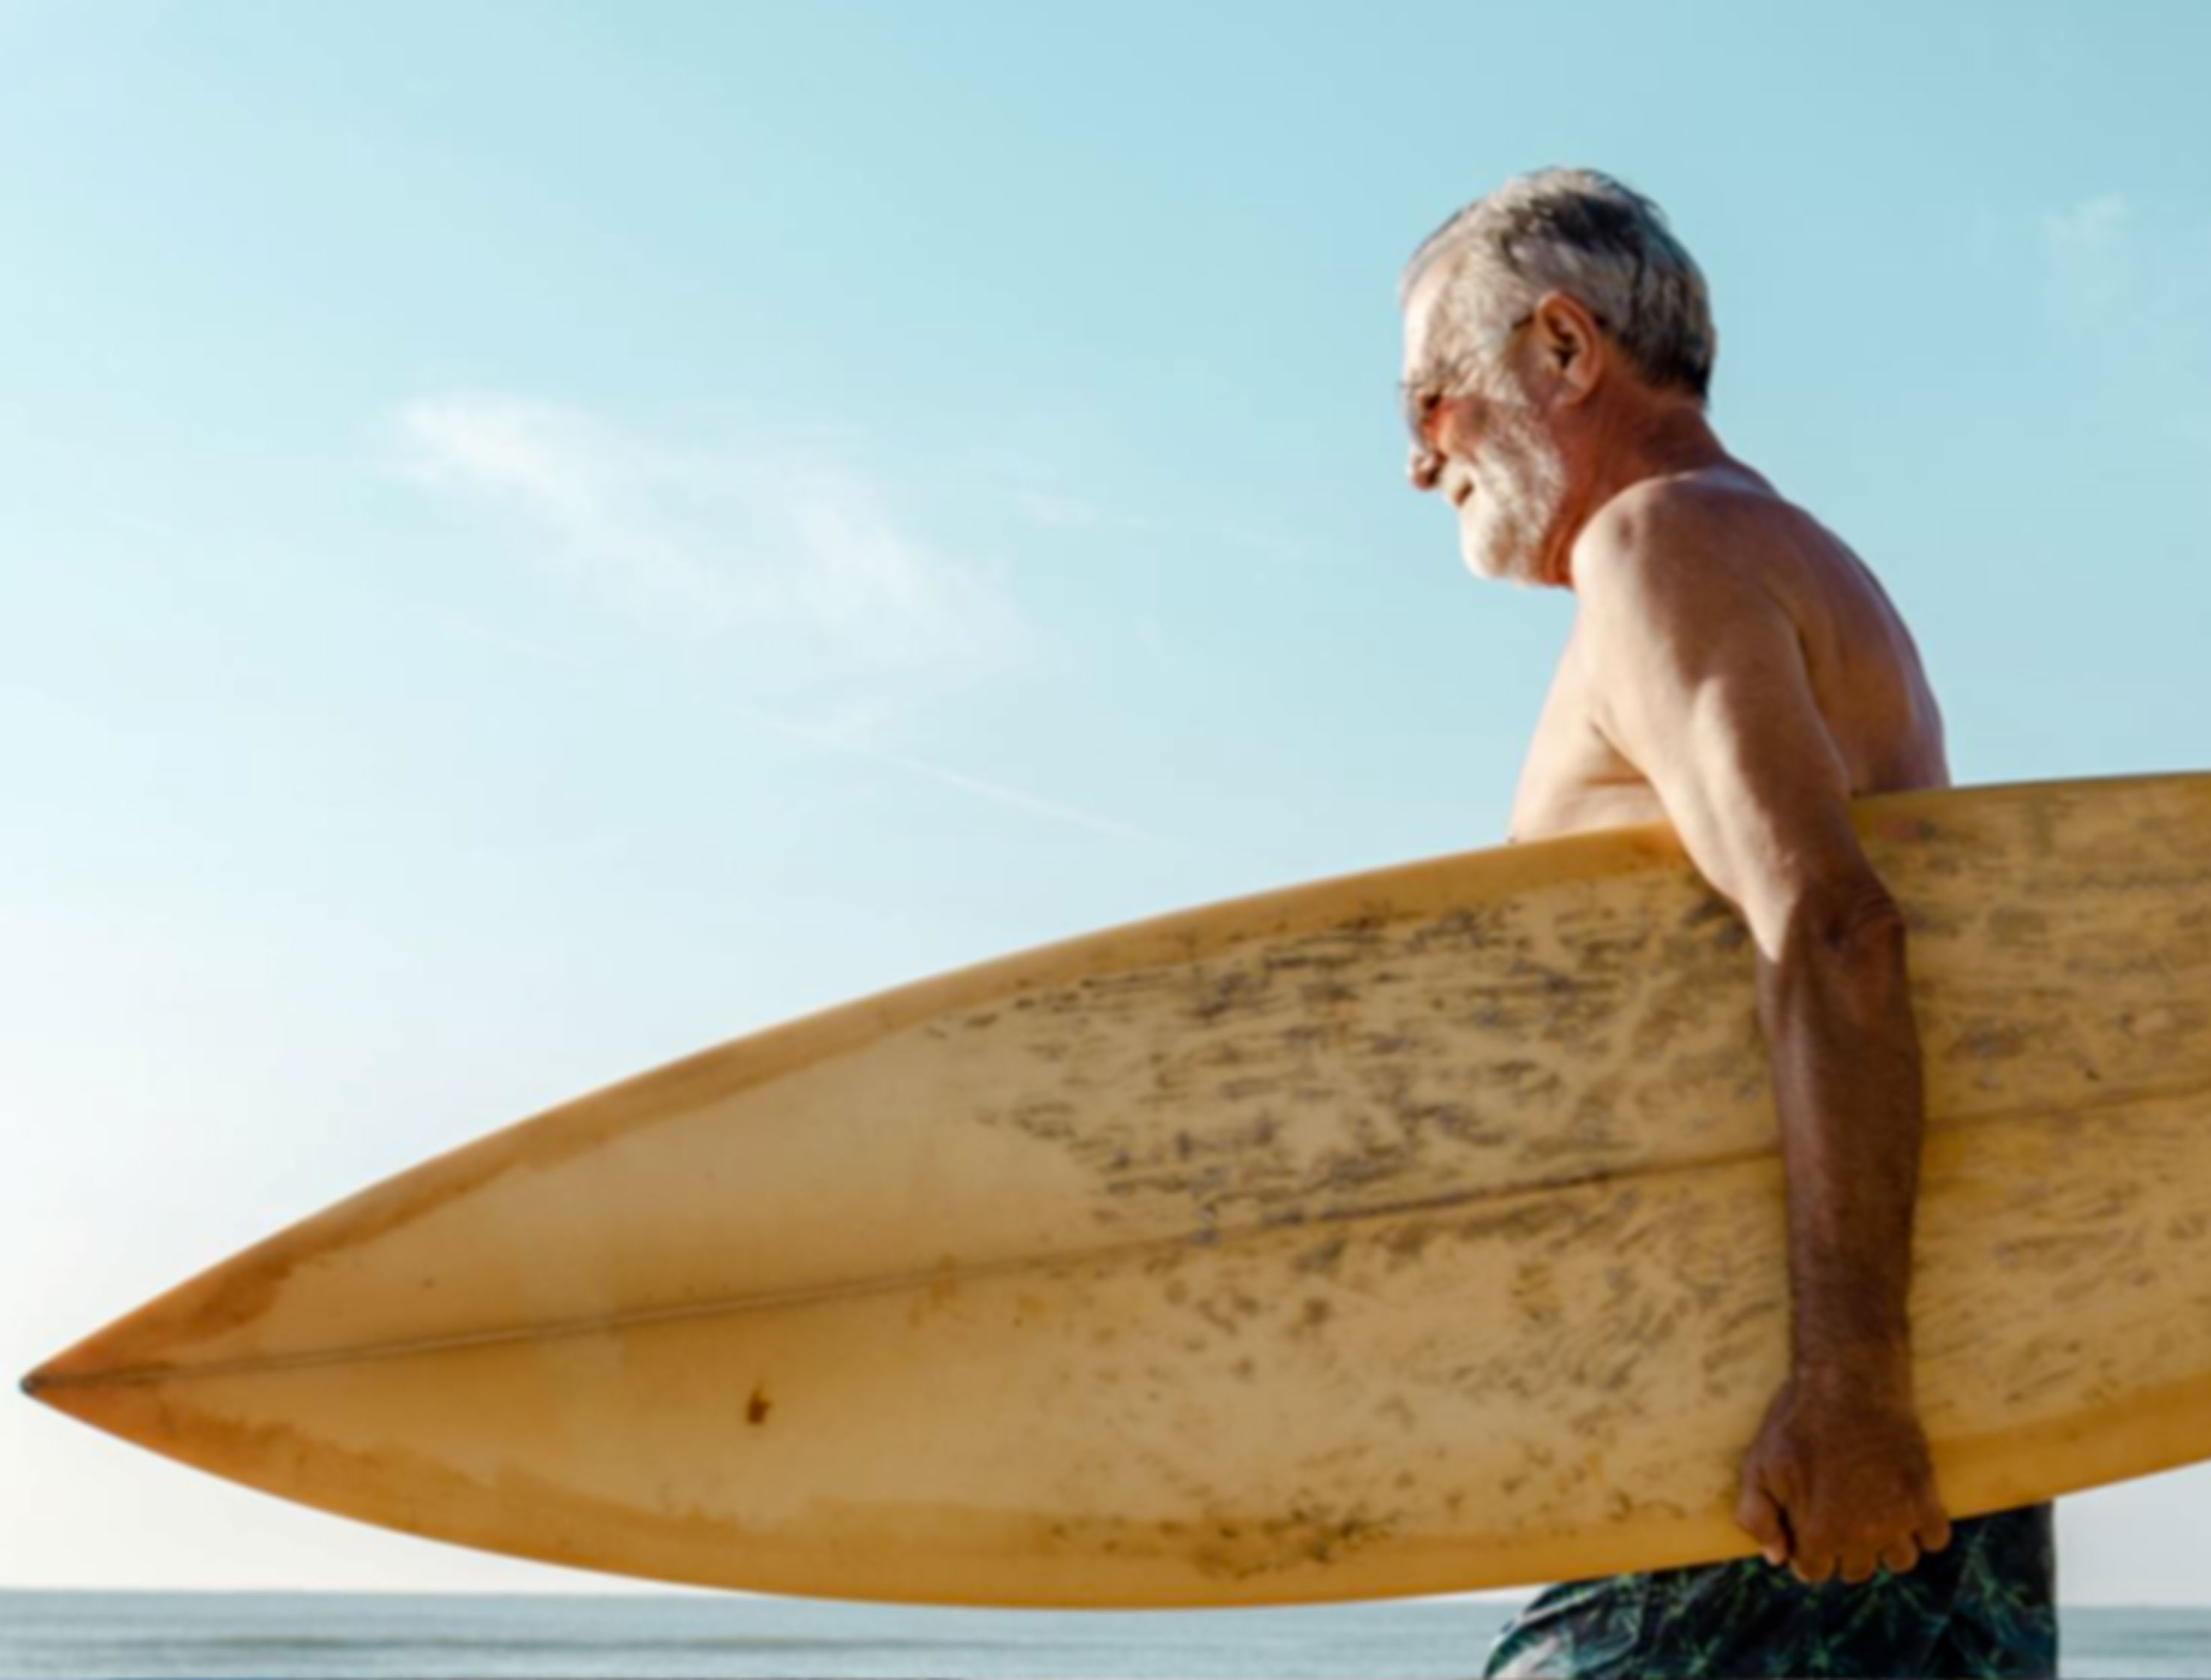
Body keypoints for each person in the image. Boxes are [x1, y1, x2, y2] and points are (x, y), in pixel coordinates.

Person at [1396, 169, 2056, 1679]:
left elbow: (1833, 930)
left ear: (1564, 349)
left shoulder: (1659, 547)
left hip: (1773, 1466)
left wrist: (1849, 1387)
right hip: (1901, 1436)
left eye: (1428, 394)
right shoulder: (1792, 559)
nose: (1418, 456)